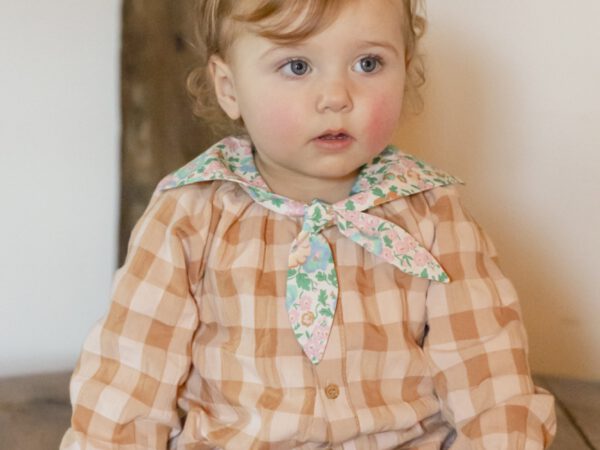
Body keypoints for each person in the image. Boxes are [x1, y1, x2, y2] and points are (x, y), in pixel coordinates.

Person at [60, 0, 556, 448]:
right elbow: (128, 384)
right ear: (229, 88)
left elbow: (491, 381)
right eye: (297, 66)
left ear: (405, 70)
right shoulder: (189, 216)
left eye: (368, 63)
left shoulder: (433, 213)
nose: (336, 96)